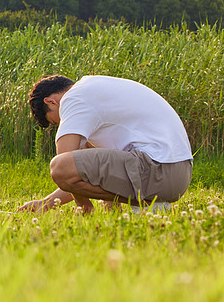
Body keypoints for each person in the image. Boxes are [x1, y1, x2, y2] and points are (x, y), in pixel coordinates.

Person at [19, 74, 193, 214]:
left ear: (50, 101)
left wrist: (83, 204)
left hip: (157, 169)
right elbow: (89, 169)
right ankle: (123, 208)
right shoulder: (95, 88)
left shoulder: (73, 98)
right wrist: (46, 203)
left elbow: (64, 164)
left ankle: (149, 203)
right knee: (86, 150)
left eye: (56, 122)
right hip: (177, 173)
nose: (62, 124)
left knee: (60, 165)